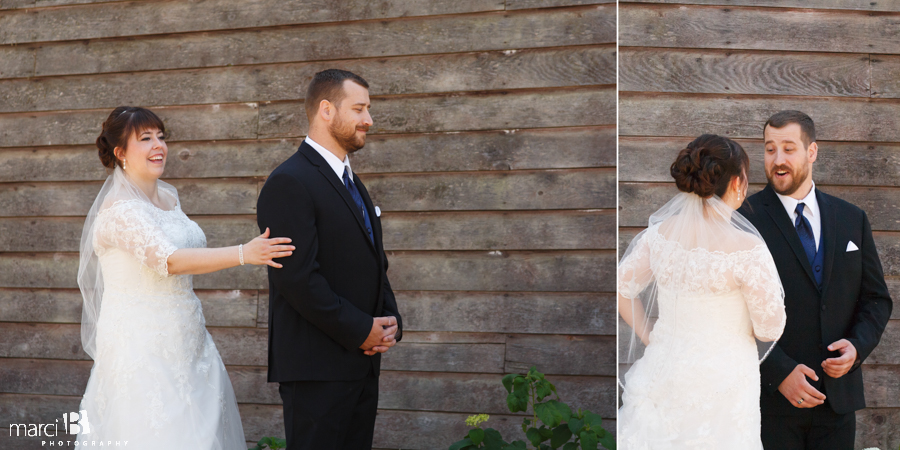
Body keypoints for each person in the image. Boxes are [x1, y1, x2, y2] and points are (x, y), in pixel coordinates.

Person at [76, 106, 294, 448]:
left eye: (161, 137)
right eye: (145, 138)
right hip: (143, 347)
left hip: (189, 341)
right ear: (120, 153)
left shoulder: (168, 196)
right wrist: (243, 253)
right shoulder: (118, 210)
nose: (158, 145)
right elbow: (170, 260)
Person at [256, 69, 403, 450]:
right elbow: (297, 279)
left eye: (367, 109)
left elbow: (373, 261)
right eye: (359, 109)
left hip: (361, 362)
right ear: (326, 109)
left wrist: (388, 322)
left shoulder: (351, 182)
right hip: (317, 369)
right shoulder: (289, 181)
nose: (368, 120)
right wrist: (360, 329)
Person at [617, 134, 787, 449]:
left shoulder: (659, 237)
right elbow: (769, 328)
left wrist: (649, 335)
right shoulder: (747, 249)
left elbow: (622, 289)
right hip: (724, 386)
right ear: (737, 182)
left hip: (664, 373)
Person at [739, 111, 893, 449]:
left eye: (788, 149)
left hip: (837, 402)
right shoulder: (743, 220)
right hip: (772, 403)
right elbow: (733, 312)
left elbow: (876, 300)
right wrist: (778, 372)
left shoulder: (852, 218)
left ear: (812, 152)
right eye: (769, 149)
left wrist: (857, 346)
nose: (777, 160)